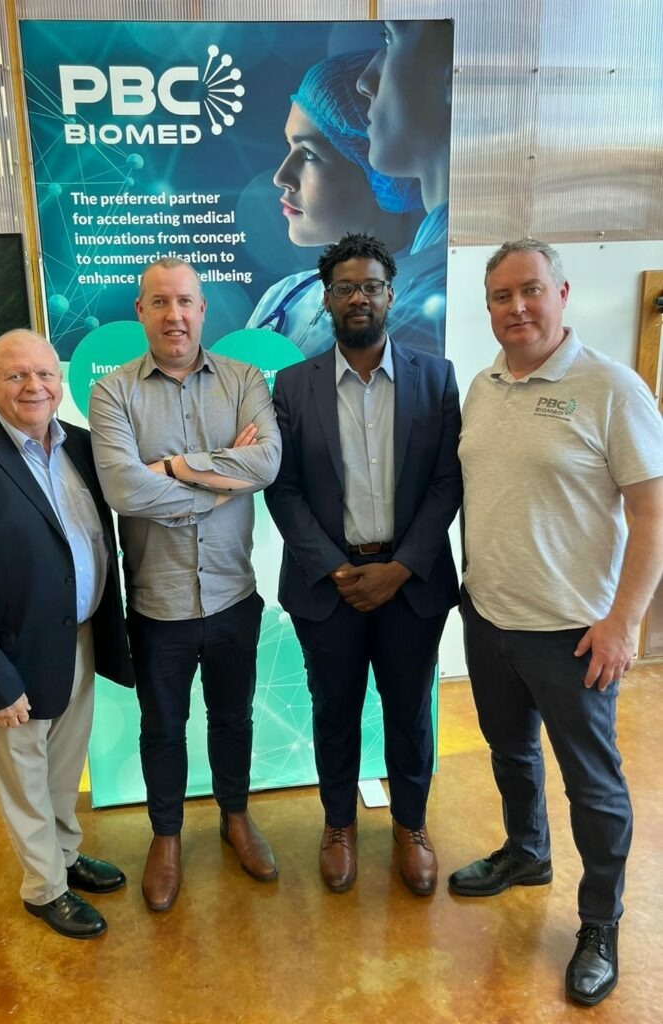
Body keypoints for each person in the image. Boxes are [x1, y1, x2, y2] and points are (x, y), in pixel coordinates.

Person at [451, 239, 663, 1006]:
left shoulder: (610, 388)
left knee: (592, 784)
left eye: (530, 290)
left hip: (573, 634)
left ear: (562, 294)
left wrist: (623, 622)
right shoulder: (481, 388)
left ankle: (599, 923)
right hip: (488, 617)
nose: (516, 308)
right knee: (509, 752)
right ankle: (526, 851)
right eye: (500, 296)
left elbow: (651, 514)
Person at [0, 329, 135, 940]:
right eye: (16, 376)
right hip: (8, 655)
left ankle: (64, 855)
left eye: (44, 374)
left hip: (79, 639)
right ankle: (45, 889)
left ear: (59, 382)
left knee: (62, 767)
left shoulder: (82, 447)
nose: (34, 386)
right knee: (24, 779)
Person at [265, 233, 462, 895]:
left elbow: (446, 482)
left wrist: (401, 567)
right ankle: (339, 825)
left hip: (411, 584)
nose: (359, 298)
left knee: (409, 711)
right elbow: (283, 488)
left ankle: (411, 825)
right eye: (345, 287)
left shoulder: (436, 378)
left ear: (389, 295)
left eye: (370, 286)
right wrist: (333, 568)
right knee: (333, 710)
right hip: (329, 588)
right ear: (326, 299)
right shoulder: (293, 386)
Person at [89, 258, 282, 913]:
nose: (174, 315)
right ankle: (166, 837)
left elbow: (267, 462)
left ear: (202, 310)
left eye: (185, 302)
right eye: (160, 302)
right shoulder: (113, 392)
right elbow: (123, 489)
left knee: (233, 718)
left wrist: (170, 468)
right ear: (141, 311)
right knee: (163, 728)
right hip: (157, 606)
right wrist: (221, 484)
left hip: (232, 597)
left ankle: (235, 817)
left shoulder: (244, 379)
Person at [247, 50, 442, 358]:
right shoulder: (284, 295)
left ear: (379, 171)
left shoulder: (420, 308)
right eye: (289, 147)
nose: (281, 177)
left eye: (309, 154)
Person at [357, 21, 454, 342]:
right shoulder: (421, 268)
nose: (364, 82)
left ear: (452, 75)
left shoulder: (431, 294)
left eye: (389, 37)